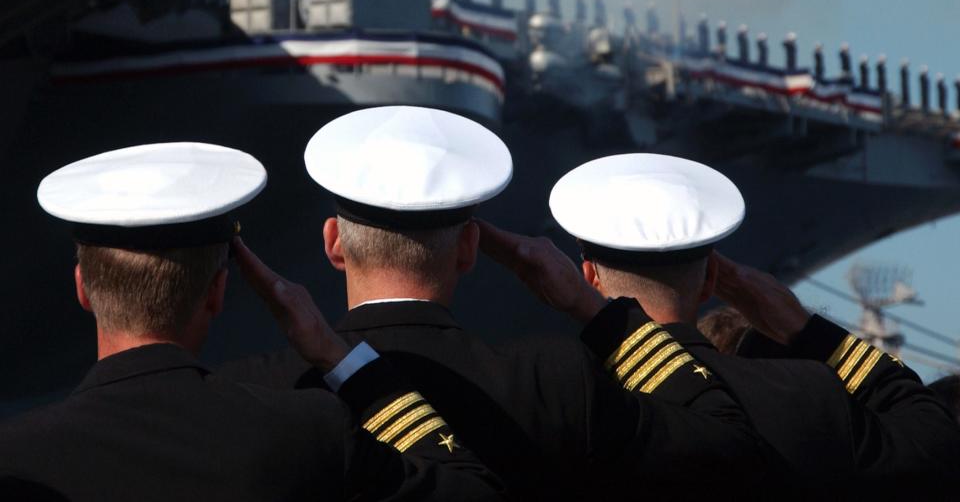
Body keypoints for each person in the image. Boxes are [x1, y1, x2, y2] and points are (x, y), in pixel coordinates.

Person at [219, 106, 775, 500]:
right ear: (470, 248)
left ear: (333, 244)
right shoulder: (556, 380)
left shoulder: (252, 390)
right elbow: (729, 447)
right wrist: (592, 308)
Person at [0, 142, 502, 502]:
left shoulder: (17, 455)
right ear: (218, 291)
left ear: (82, 288)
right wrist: (340, 357)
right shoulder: (308, 430)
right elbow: (471, 488)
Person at [536, 152, 960, 493]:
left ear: (588, 276)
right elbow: (934, 441)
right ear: (711, 282)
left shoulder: (550, 394)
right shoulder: (808, 393)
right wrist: (806, 330)